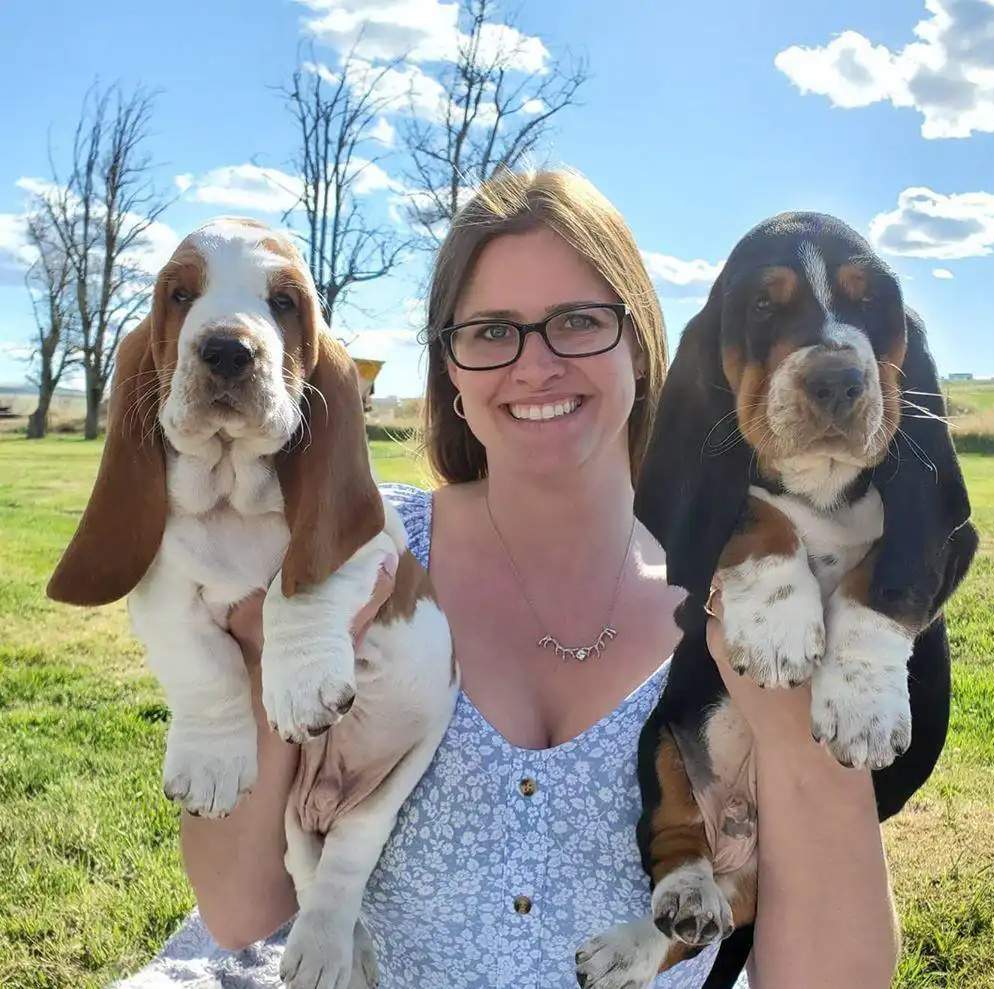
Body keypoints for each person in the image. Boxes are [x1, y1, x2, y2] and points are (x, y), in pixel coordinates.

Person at [178, 169, 901, 988]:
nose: (536, 365)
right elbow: (240, 908)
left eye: (579, 322)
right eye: (491, 331)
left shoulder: (759, 584)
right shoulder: (368, 555)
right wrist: (283, 650)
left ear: (640, 342)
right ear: (450, 367)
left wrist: (793, 728)